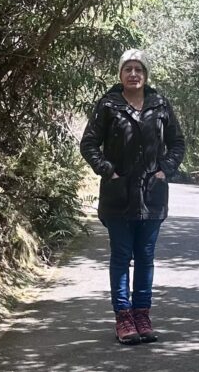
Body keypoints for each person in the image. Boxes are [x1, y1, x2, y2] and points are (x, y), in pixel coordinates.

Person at [79, 48, 186, 345]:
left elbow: (177, 143)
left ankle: (142, 315)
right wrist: (108, 171)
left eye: (138, 69)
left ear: (146, 74)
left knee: (146, 257)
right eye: (128, 69)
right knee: (121, 256)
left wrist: (165, 169)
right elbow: (89, 144)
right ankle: (123, 317)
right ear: (120, 74)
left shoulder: (160, 104)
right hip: (118, 196)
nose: (133, 74)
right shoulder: (108, 105)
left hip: (152, 196)